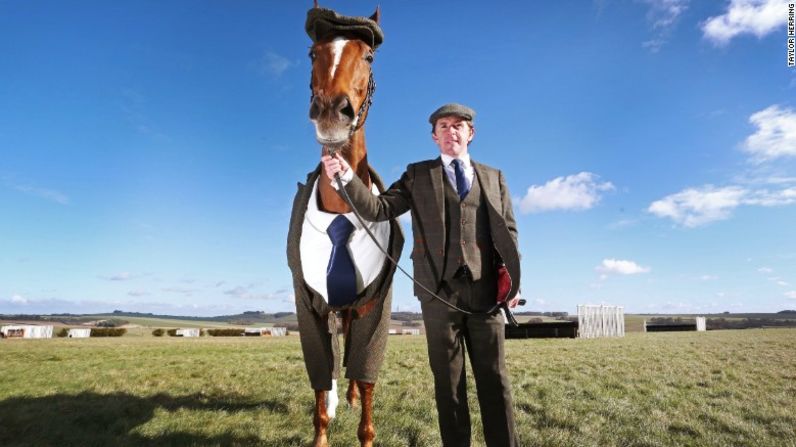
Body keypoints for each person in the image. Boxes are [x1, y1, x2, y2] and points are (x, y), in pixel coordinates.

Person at [321, 103, 521, 447]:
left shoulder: (494, 177)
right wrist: (346, 179)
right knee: (448, 385)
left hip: (486, 295)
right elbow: (379, 208)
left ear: (470, 133)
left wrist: (512, 281)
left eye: (458, 126)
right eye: (443, 126)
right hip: (438, 295)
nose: (450, 131)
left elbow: (509, 233)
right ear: (434, 136)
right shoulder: (418, 174)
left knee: (495, 381)